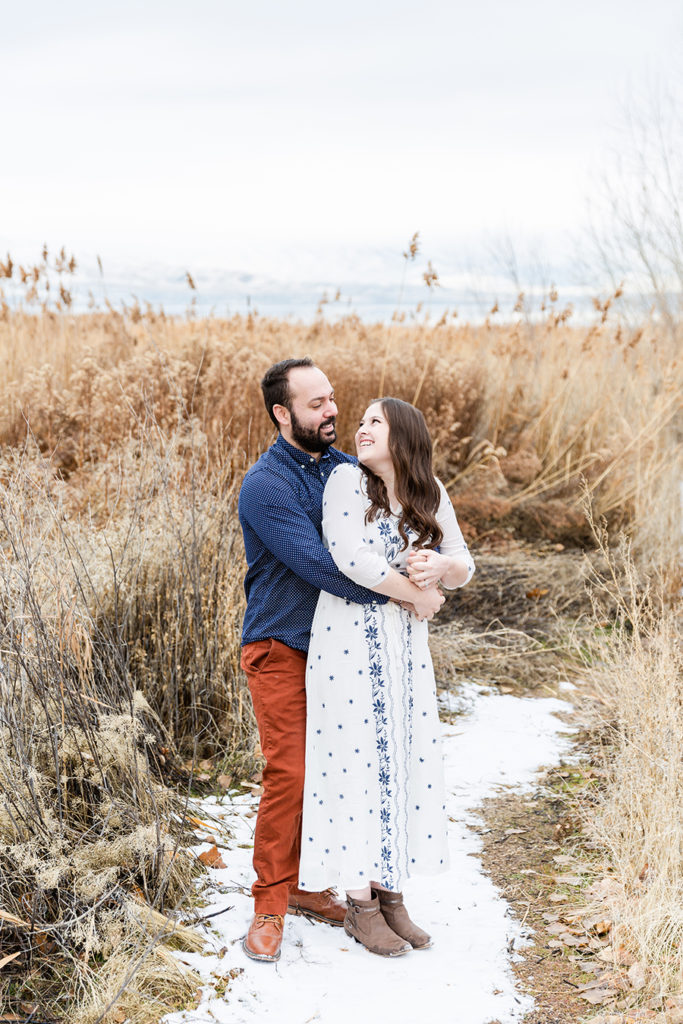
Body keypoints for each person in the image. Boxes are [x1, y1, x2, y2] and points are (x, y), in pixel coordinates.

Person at [238, 360, 445, 963]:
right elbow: (323, 566)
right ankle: (270, 904)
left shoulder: (347, 470)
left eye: (333, 399)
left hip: (348, 649)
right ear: (283, 414)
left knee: (346, 767)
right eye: (316, 404)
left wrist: (435, 568)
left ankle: (313, 885)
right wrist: (410, 594)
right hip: (282, 643)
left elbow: (395, 533)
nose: (332, 411)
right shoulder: (266, 484)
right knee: (294, 771)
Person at [298, 397, 475, 957]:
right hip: (347, 641)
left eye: (376, 421)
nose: (361, 428)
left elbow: (464, 563)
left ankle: (393, 894)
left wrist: (442, 569)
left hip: (404, 651)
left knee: (400, 759)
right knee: (354, 763)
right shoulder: (346, 483)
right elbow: (353, 560)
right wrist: (421, 595)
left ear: (404, 435)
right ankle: (360, 904)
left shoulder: (430, 492)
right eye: (362, 421)